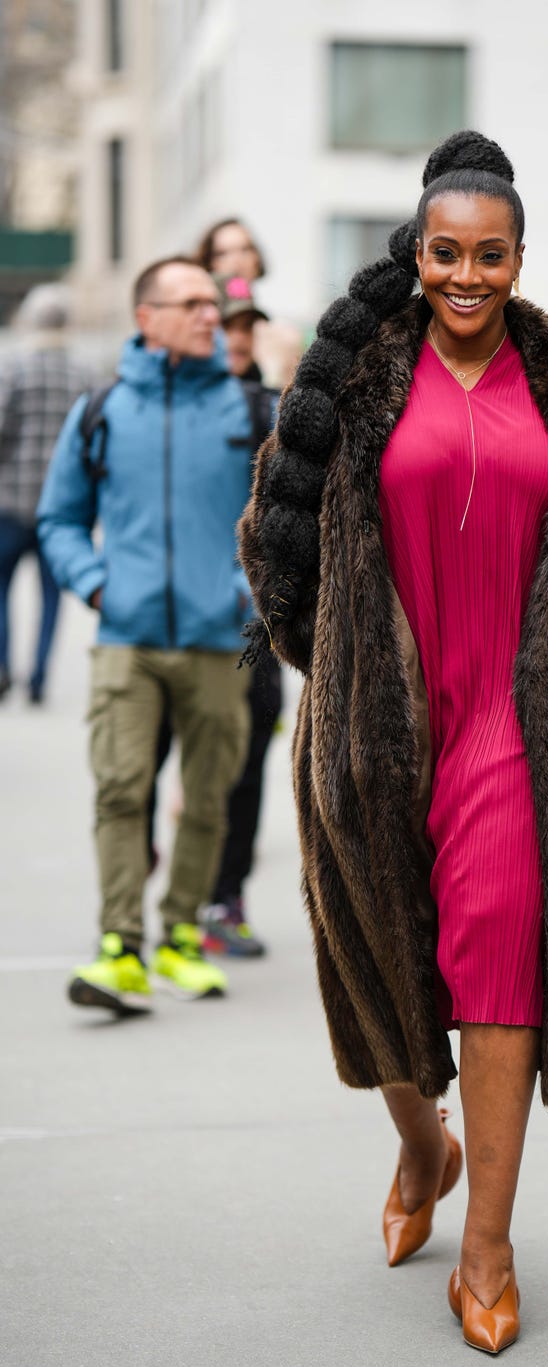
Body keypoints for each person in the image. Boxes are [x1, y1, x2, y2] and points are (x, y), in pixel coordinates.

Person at [238, 131, 548, 1353]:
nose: (466, 277)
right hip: (381, 727)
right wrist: (333, 669)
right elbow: (273, 543)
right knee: (385, 973)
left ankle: (487, 1244)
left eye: (489, 255)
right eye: (445, 252)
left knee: (499, 957)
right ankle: (419, 1143)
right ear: (418, 251)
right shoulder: (351, 378)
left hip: (517, 724)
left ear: (518, 258)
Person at [37, 257, 254, 1014]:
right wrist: (97, 585)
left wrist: (246, 597)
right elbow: (59, 520)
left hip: (219, 640)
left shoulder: (251, 411)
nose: (210, 316)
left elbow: (287, 527)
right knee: (121, 788)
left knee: (205, 798)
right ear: (146, 316)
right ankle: (120, 947)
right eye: (191, 303)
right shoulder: (101, 410)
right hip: (126, 636)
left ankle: (182, 936)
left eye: (213, 303)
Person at [148, 272, 281, 957]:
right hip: (170, 614)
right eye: (222, 324)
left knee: (248, 755)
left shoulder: (275, 411)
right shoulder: (169, 405)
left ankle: (224, 896)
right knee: (151, 749)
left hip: (250, 623)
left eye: (244, 327)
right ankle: (145, 858)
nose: (233, 337)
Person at [0, 284, 92, 704]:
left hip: (10, 502)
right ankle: (38, 677)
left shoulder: (13, 367)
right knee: (51, 597)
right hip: (61, 507)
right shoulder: (83, 373)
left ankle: (3, 667)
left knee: (1, 589)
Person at [194, 217, 301, 390]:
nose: (236, 260)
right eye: (223, 252)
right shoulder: (197, 330)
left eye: (245, 249)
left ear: (256, 259)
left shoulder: (281, 336)